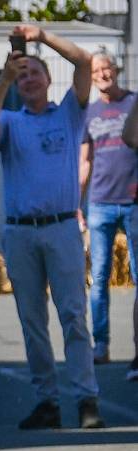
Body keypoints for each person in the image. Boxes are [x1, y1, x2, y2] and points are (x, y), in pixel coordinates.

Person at [0, 24, 104, 429]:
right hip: (21, 231)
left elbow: (84, 62)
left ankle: (87, 400)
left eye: (35, 72)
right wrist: (3, 79)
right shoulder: (11, 120)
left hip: (62, 227)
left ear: (49, 79)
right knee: (32, 321)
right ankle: (46, 401)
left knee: (73, 316)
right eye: (23, 74)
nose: (29, 78)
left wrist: (42, 37)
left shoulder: (69, 113)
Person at [78, 50, 137, 368]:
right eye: (97, 70)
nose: (103, 73)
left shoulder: (134, 102)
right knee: (99, 278)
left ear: (117, 69)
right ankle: (101, 345)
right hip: (100, 203)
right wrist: (77, 203)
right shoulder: (88, 111)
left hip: (134, 203)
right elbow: (84, 161)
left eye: (107, 67)